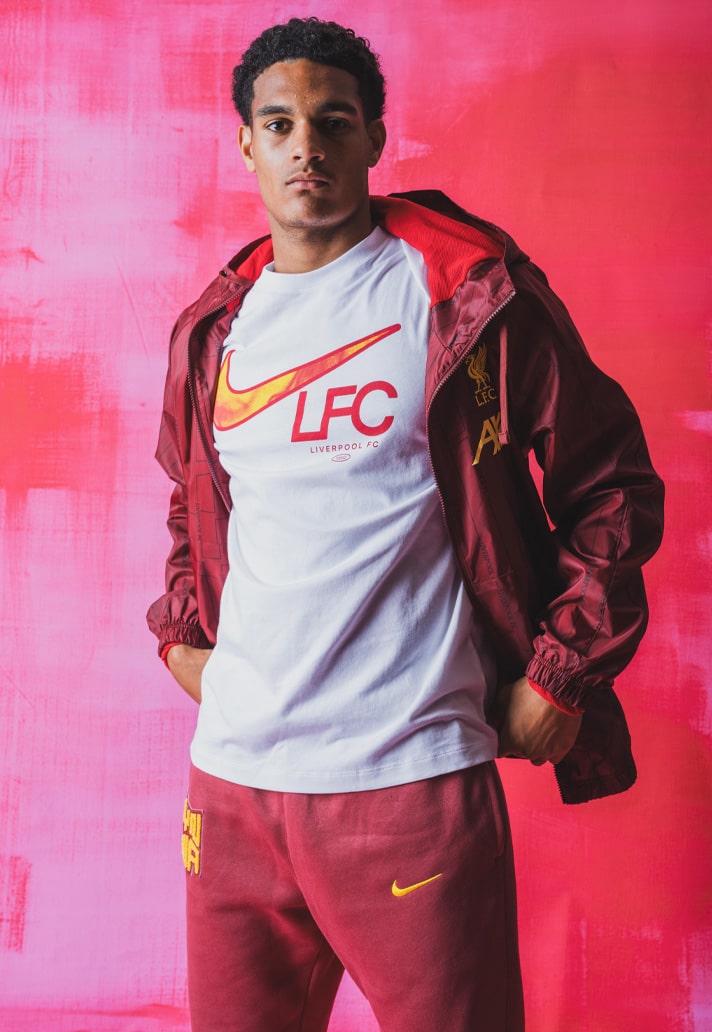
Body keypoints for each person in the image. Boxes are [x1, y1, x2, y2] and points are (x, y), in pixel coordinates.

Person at [147, 17, 664, 1032]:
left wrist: (561, 672)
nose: (307, 146)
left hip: (407, 777)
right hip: (233, 785)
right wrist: (180, 634)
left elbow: (611, 480)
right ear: (246, 142)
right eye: (280, 124)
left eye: (335, 122)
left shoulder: (463, 292)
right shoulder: (219, 326)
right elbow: (189, 496)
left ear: (376, 137)